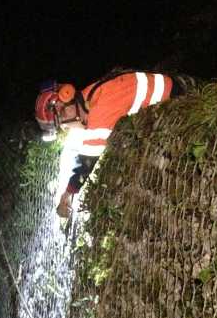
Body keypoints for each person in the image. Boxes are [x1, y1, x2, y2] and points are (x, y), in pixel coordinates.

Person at [35, 70, 193, 217]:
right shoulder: (90, 96)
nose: (65, 127)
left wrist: (68, 194)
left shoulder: (99, 113)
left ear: (66, 103)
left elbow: (87, 161)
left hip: (178, 93)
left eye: (61, 121)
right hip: (173, 85)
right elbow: (86, 156)